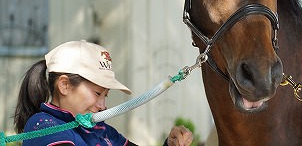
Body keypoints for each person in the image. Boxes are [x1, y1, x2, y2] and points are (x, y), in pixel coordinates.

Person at [13, 40, 193, 146]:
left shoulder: (103, 130)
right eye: (97, 93)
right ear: (64, 85)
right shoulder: (43, 126)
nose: (103, 106)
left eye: (105, 95)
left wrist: (170, 144)